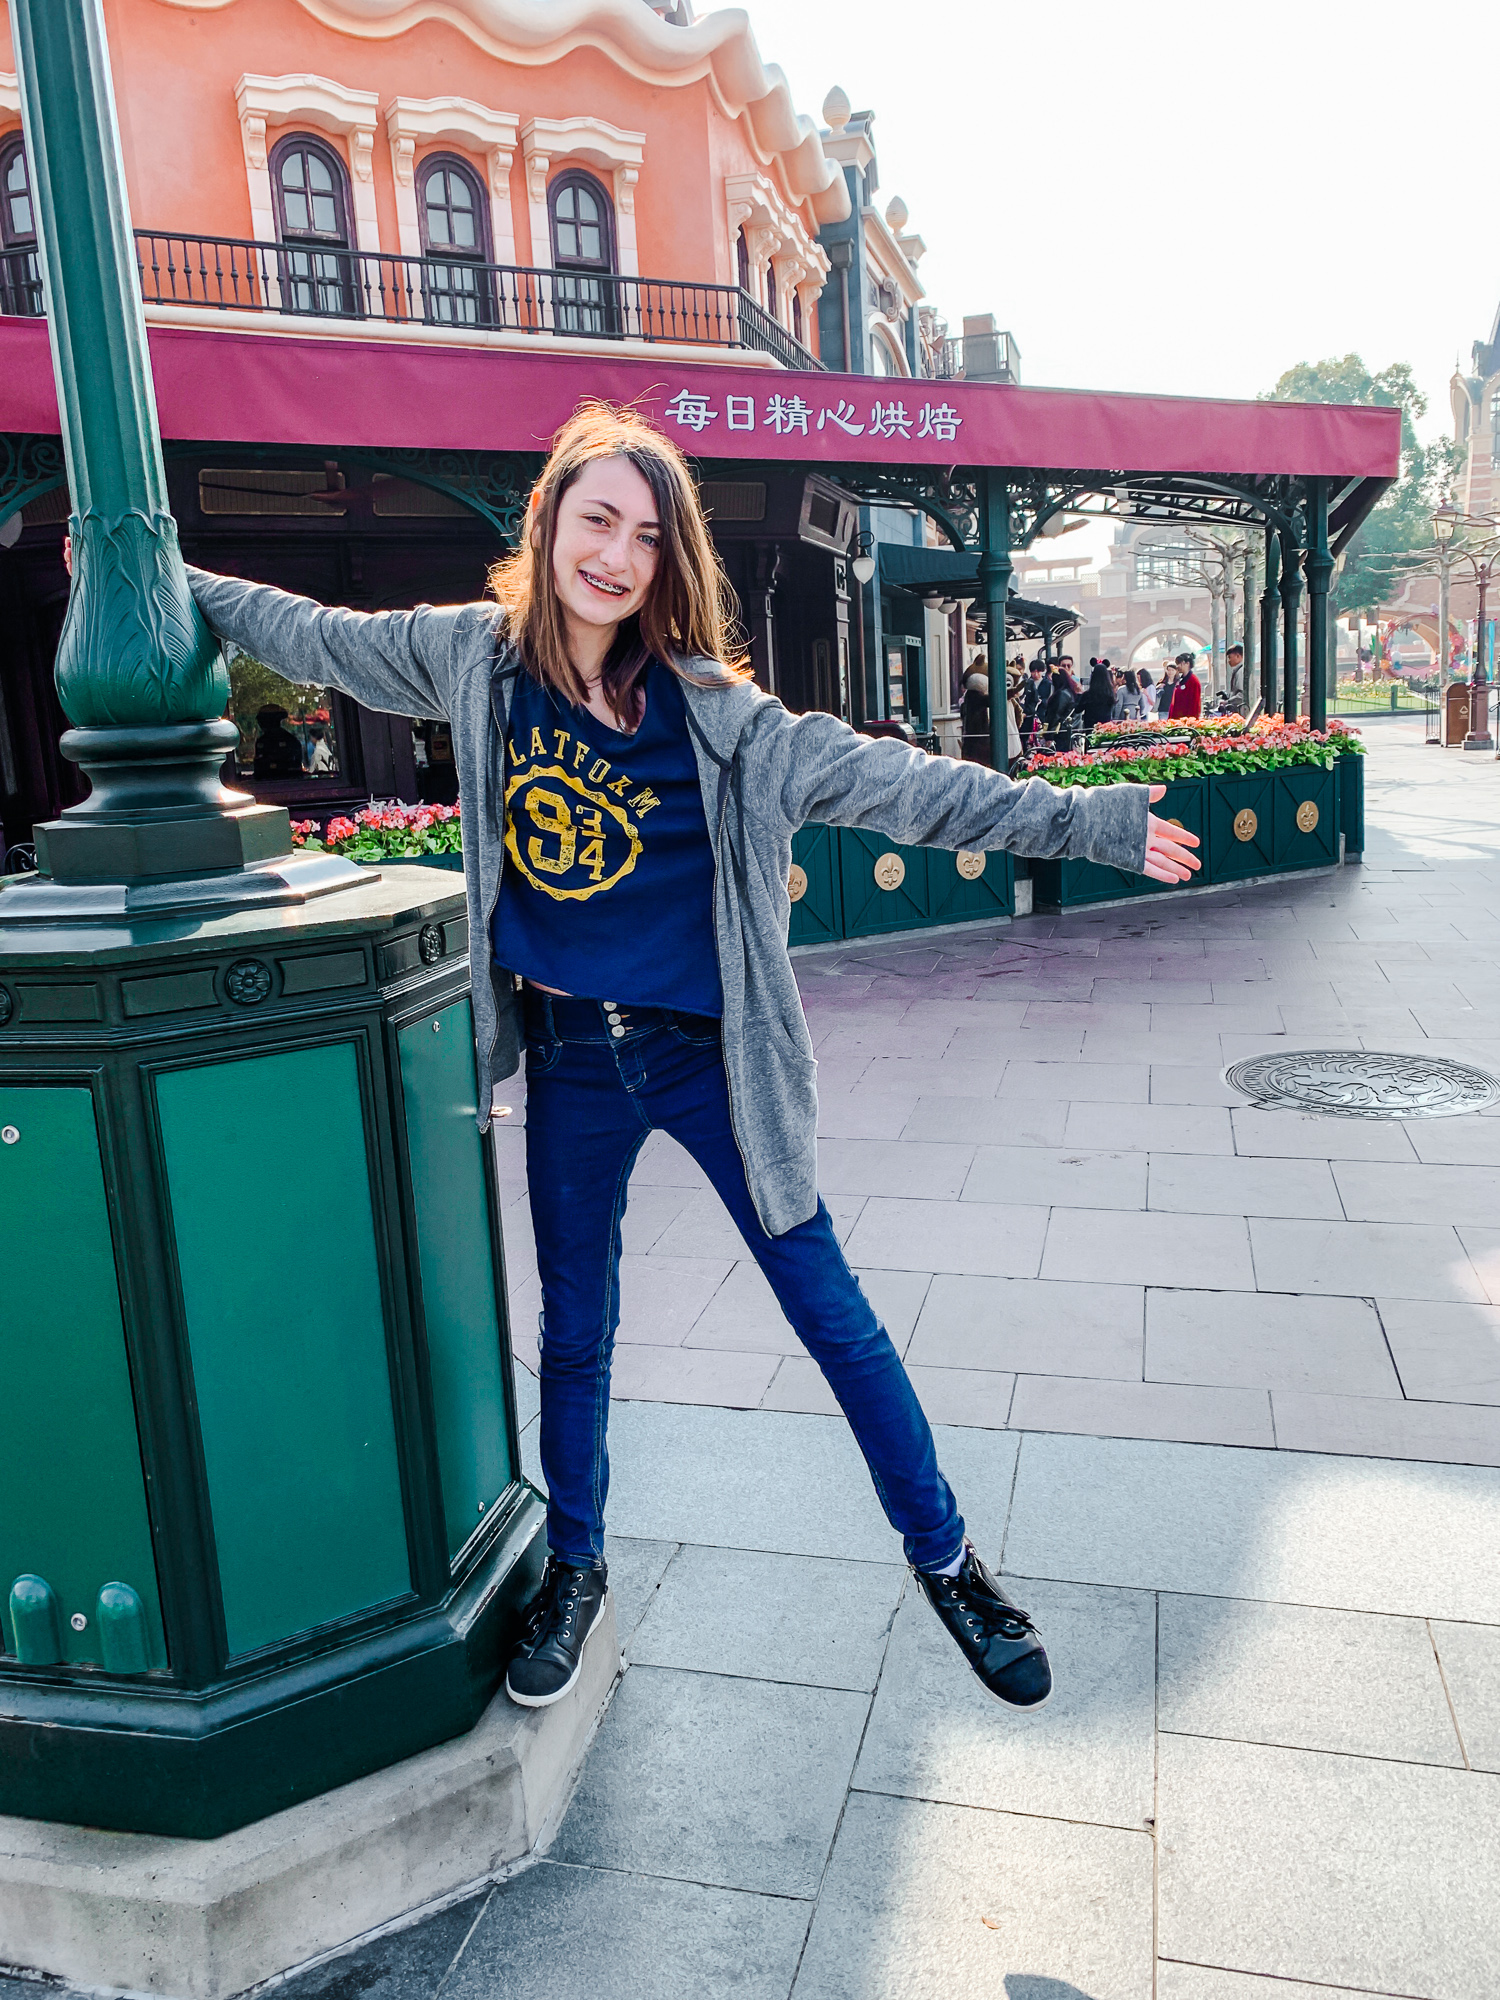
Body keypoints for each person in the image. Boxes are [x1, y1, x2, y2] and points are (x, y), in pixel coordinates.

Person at [181, 401, 1199, 1717]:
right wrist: (171, 573)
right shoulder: (474, 663)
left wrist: (1092, 822)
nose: (615, 555)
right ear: (549, 522)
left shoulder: (722, 719)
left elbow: (912, 789)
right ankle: (580, 1565)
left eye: (646, 537)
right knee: (580, 1333)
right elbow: (320, 640)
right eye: (595, 519)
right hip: (569, 1062)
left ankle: (949, 1563)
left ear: (670, 565)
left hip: (709, 1059)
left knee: (828, 1314)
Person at [252, 703, 305, 777]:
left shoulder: (290, 741)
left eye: (263, 720)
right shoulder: (261, 741)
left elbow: (295, 767)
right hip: (264, 784)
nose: (260, 724)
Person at [961, 666, 990, 759]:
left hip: (971, 737)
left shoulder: (969, 696)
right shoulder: (976, 696)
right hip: (978, 738)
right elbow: (990, 700)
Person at [1079, 659, 1116, 730]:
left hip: (1090, 727)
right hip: (1106, 726)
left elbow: (1078, 709)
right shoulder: (1110, 693)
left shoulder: (1088, 694)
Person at [1169, 650, 1203, 719]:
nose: (1178, 666)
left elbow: (1195, 705)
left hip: (1186, 722)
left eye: (1180, 663)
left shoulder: (1193, 681)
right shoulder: (1181, 680)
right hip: (1177, 719)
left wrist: (1191, 722)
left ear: (1187, 664)